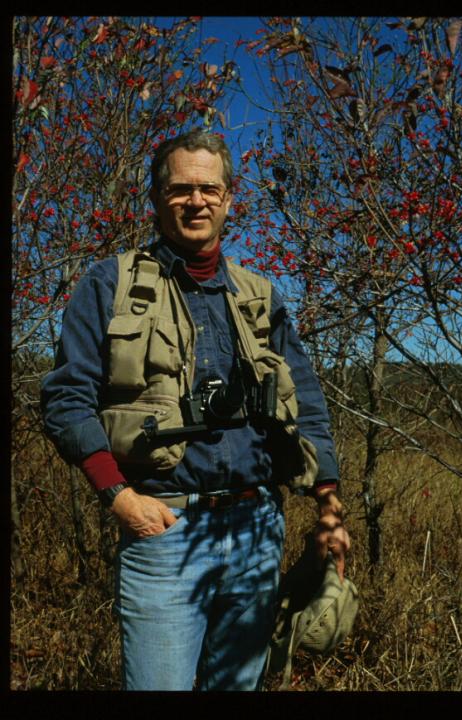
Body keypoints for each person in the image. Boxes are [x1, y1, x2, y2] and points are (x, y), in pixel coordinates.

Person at [41, 128, 350, 691]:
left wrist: (328, 504)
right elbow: (65, 399)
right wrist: (120, 497)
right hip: (164, 529)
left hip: (258, 529)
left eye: (209, 189)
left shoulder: (259, 294)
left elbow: (306, 401)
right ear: (158, 198)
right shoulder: (108, 283)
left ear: (230, 198)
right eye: (181, 189)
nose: (196, 201)